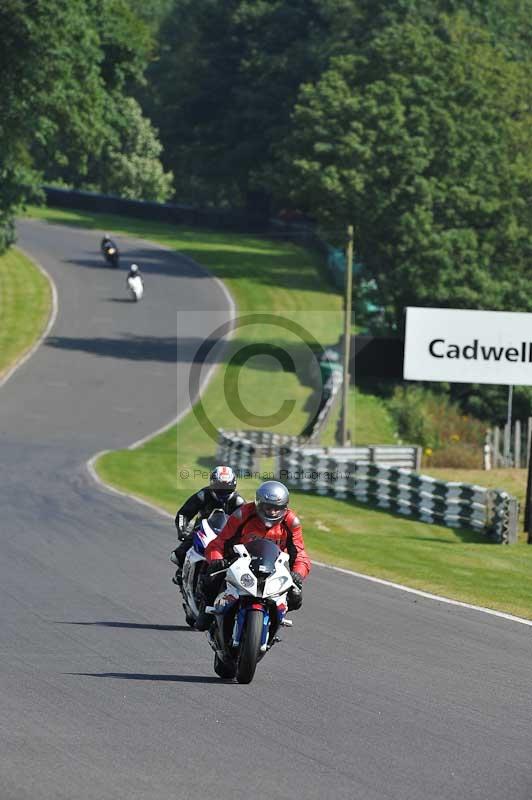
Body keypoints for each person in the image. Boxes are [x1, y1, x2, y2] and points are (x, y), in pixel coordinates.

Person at [196, 480, 311, 630]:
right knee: (211, 577)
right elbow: (219, 542)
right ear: (258, 504)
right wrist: (217, 560)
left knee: (296, 596)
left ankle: (275, 622)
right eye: (268, 507)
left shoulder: (291, 522)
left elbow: (300, 553)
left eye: (277, 508)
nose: (272, 512)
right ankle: (207, 610)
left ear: (285, 507)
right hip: (238, 560)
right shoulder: (242, 514)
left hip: (273, 565)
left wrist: (298, 574)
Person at [170, 466, 245, 586]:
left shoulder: (238, 502)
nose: (222, 490)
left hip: (225, 536)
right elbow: (183, 514)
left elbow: (246, 524)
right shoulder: (203, 495)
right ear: (212, 483)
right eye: (219, 486)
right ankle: (182, 571)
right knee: (178, 555)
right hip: (201, 531)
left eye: (227, 487)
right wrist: (182, 531)